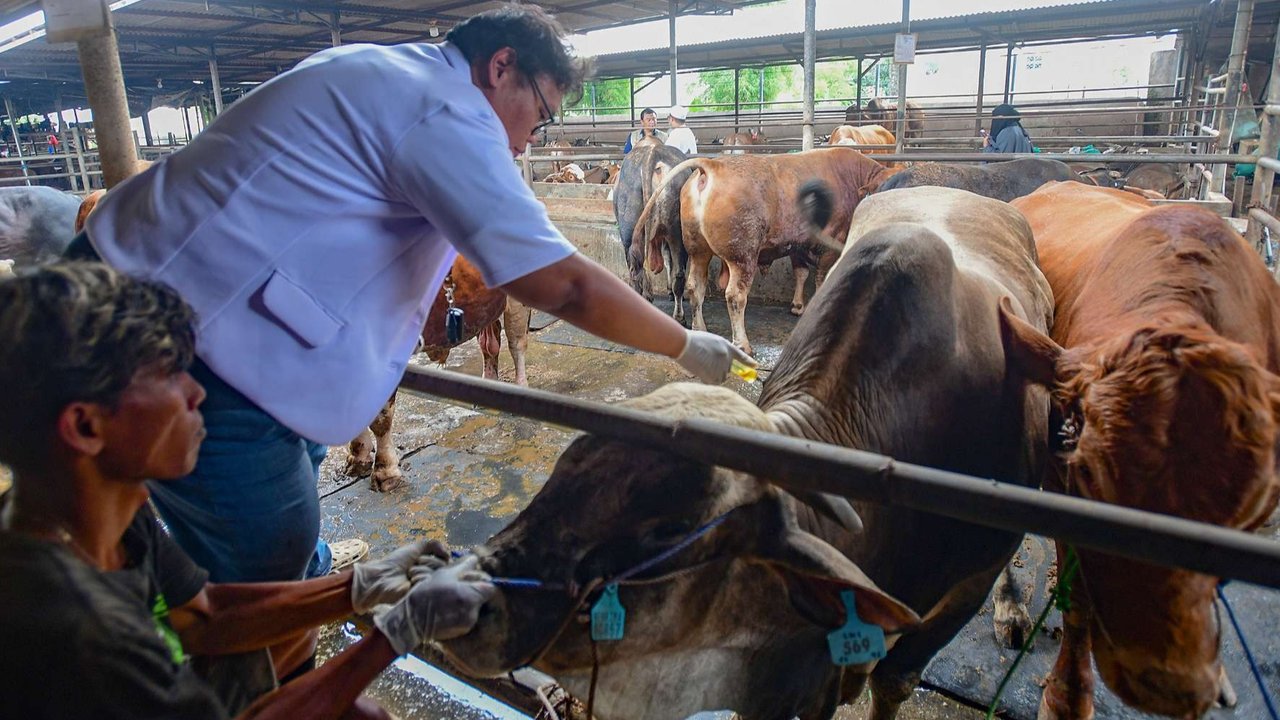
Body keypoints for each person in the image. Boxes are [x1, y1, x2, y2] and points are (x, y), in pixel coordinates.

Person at [70, 2, 751, 685]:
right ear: (501, 66)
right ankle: (255, 691)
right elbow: (561, 284)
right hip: (194, 343)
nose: (529, 143)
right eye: (540, 116)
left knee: (271, 542)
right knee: (259, 562)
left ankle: (287, 634)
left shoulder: (375, 68)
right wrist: (683, 344)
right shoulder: (445, 112)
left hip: (193, 311)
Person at [0, 262, 496, 719]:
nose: (197, 395)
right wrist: (395, 635)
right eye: (170, 377)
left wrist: (364, 587)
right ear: (86, 426)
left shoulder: (98, 514)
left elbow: (205, 615)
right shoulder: (75, 632)